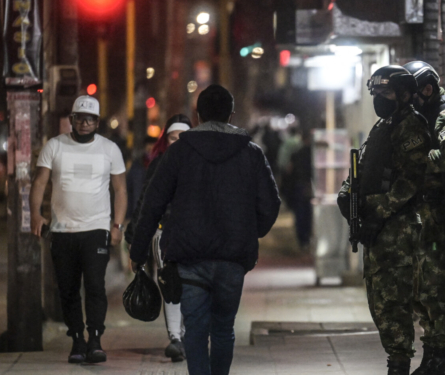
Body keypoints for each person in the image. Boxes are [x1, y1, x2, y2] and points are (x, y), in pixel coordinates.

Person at [129, 84, 281, 375]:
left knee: (196, 329)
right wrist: (250, 232)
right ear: (231, 115)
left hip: (189, 257)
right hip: (232, 257)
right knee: (223, 327)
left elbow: (152, 203)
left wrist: (137, 250)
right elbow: (270, 204)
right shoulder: (251, 153)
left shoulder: (179, 153)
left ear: (196, 116)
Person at [337, 65, 432, 375]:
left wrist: (373, 207)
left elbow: (410, 182)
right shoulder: (383, 126)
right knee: (379, 303)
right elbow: (363, 168)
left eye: (385, 92)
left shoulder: (411, 127)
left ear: (404, 94)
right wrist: (348, 196)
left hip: (398, 231)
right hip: (377, 232)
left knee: (395, 304)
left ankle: (399, 364)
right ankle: (396, 358)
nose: (379, 97)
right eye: (375, 92)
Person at [29, 95, 127, 364]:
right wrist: (36, 215)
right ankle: (77, 341)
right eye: (80, 118)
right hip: (62, 231)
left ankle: (95, 339)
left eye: (90, 118)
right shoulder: (55, 146)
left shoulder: (109, 149)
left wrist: (116, 225)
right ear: (71, 120)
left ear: (97, 121)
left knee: (95, 286)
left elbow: (120, 189)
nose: (85, 123)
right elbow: (39, 183)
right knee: (68, 289)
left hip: (96, 228)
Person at [403, 60, 445, 375]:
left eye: (418, 93)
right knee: (419, 289)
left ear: (428, 87)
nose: (415, 99)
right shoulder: (422, 115)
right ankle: (430, 355)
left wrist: (412, 157)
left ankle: (438, 360)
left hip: (437, 214)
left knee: (436, 289)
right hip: (419, 213)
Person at [125, 113, 192, 362]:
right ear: (166, 140)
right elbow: (145, 202)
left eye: (183, 137)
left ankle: (186, 335)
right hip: (164, 234)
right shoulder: (159, 164)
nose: (178, 142)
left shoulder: (201, 163)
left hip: (195, 236)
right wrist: (134, 239)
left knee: (193, 285)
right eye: (173, 138)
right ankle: (176, 338)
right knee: (170, 284)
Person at [285, 129, 313, 250]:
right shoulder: (313, 153)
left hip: (299, 186)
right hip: (310, 186)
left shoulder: (296, 154)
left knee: (300, 213)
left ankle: (302, 239)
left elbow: (289, 171)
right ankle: (306, 238)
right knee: (308, 213)